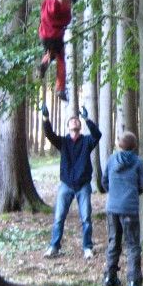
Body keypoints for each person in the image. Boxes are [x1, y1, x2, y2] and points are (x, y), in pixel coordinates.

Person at [42, 104, 101, 259]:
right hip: (66, 185)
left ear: (80, 126)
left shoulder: (87, 141)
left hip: (83, 186)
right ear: (68, 126)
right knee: (59, 218)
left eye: (77, 120)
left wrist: (87, 119)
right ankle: (54, 246)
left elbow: (97, 135)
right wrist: (46, 118)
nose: (75, 121)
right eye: (72, 121)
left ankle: (87, 247)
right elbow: (49, 134)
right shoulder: (63, 142)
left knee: (86, 219)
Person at [101, 132, 143, 286]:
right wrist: (133, 193)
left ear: (119, 145)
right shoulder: (138, 162)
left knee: (114, 241)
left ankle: (109, 276)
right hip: (130, 208)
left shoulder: (112, 160)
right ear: (134, 146)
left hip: (112, 207)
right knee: (133, 245)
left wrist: (114, 192)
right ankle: (134, 282)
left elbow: (104, 181)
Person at [38, 0, 77, 102]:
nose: (69, 4)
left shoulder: (47, 2)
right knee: (60, 60)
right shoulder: (59, 7)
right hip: (53, 37)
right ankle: (60, 88)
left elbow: (45, 10)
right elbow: (63, 17)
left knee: (53, 55)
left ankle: (44, 65)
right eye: (69, 1)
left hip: (45, 36)